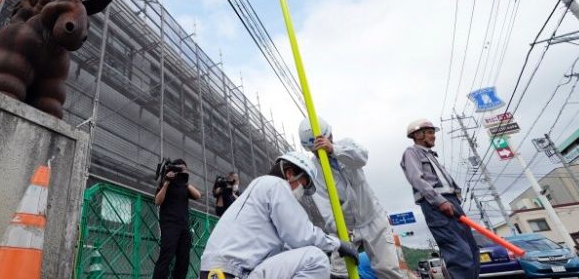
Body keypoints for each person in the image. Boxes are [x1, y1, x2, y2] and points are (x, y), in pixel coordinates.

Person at [200, 151, 359, 279]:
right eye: (302, 185)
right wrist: (338, 244)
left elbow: (289, 247)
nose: (301, 192)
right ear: (290, 173)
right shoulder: (276, 185)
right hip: (232, 272)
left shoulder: (260, 188)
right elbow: (302, 236)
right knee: (316, 259)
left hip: (219, 271)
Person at [299, 117, 405, 279]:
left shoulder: (346, 145)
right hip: (344, 226)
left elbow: (362, 158)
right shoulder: (313, 169)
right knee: (339, 273)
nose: (319, 151)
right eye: (314, 149)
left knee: (388, 270)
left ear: (331, 136)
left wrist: (333, 149)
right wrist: (337, 227)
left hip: (373, 219)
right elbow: (323, 204)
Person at [401, 119, 479, 279]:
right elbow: (417, 179)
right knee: (459, 253)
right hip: (435, 204)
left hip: (452, 202)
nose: (433, 136)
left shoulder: (431, 156)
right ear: (417, 135)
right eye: (429, 132)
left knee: (472, 250)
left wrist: (454, 198)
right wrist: (439, 201)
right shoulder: (411, 152)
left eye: (433, 132)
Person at [153, 158, 202, 279]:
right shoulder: (166, 182)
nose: (184, 171)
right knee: (166, 256)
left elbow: (198, 195)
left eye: (185, 169)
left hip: (184, 226)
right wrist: (167, 182)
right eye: (181, 169)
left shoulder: (184, 185)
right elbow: (157, 201)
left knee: (183, 260)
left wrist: (186, 181)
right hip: (169, 224)